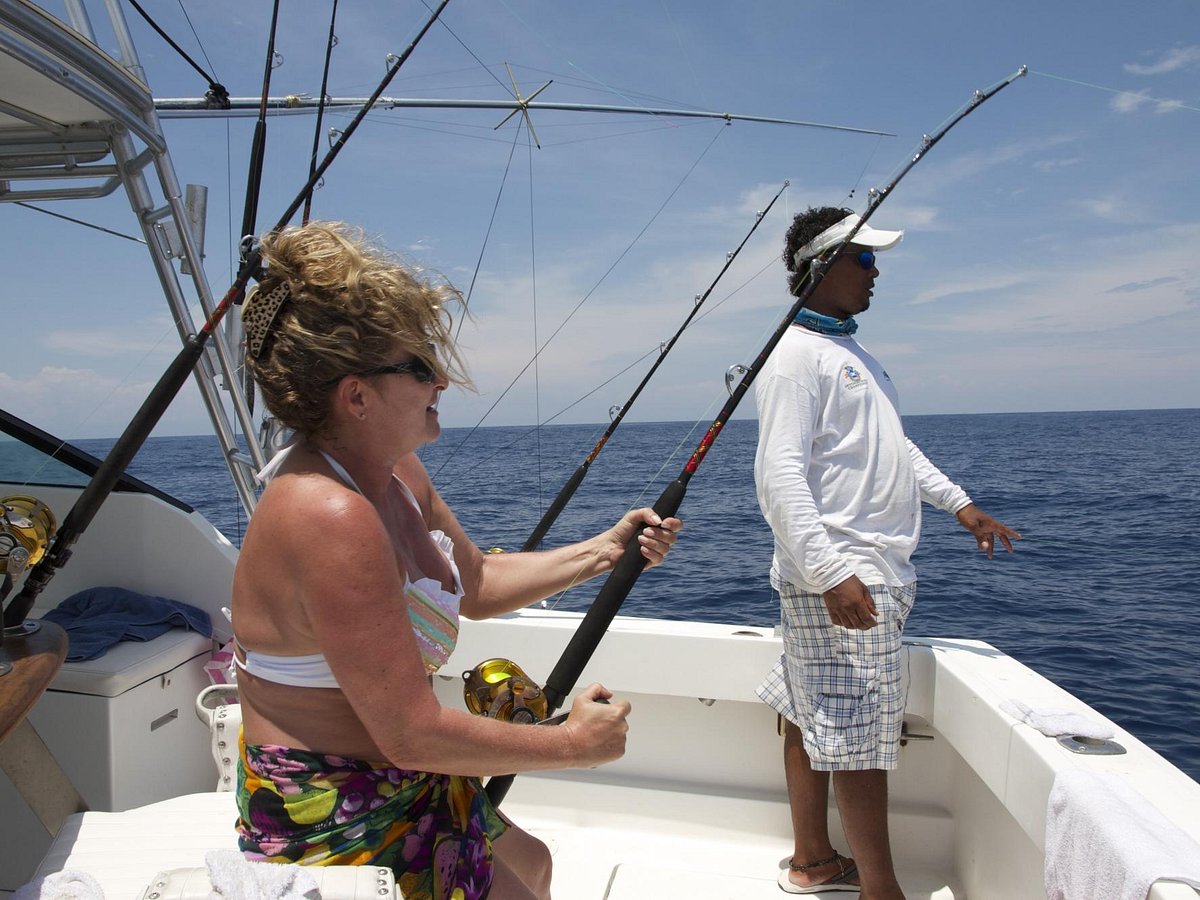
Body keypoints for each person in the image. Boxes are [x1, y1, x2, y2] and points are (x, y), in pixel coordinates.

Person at [231, 221, 683, 900]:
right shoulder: (327, 515)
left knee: (533, 864)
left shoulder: (394, 473)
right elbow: (411, 732)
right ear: (356, 397)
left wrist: (604, 550)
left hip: (406, 772)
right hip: (332, 809)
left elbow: (476, 582)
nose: (441, 378)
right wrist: (572, 746)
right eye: (418, 366)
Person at [754, 207, 1019, 898]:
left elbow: (893, 451)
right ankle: (882, 891)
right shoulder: (794, 359)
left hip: (846, 570)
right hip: (847, 573)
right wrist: (833, 571)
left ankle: (814, 859)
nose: (877, 272)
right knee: (859, 738)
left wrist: (960, 504)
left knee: (810, 711)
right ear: (821, 267)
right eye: (864, 259)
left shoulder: (850, 355)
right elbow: (778, 476)